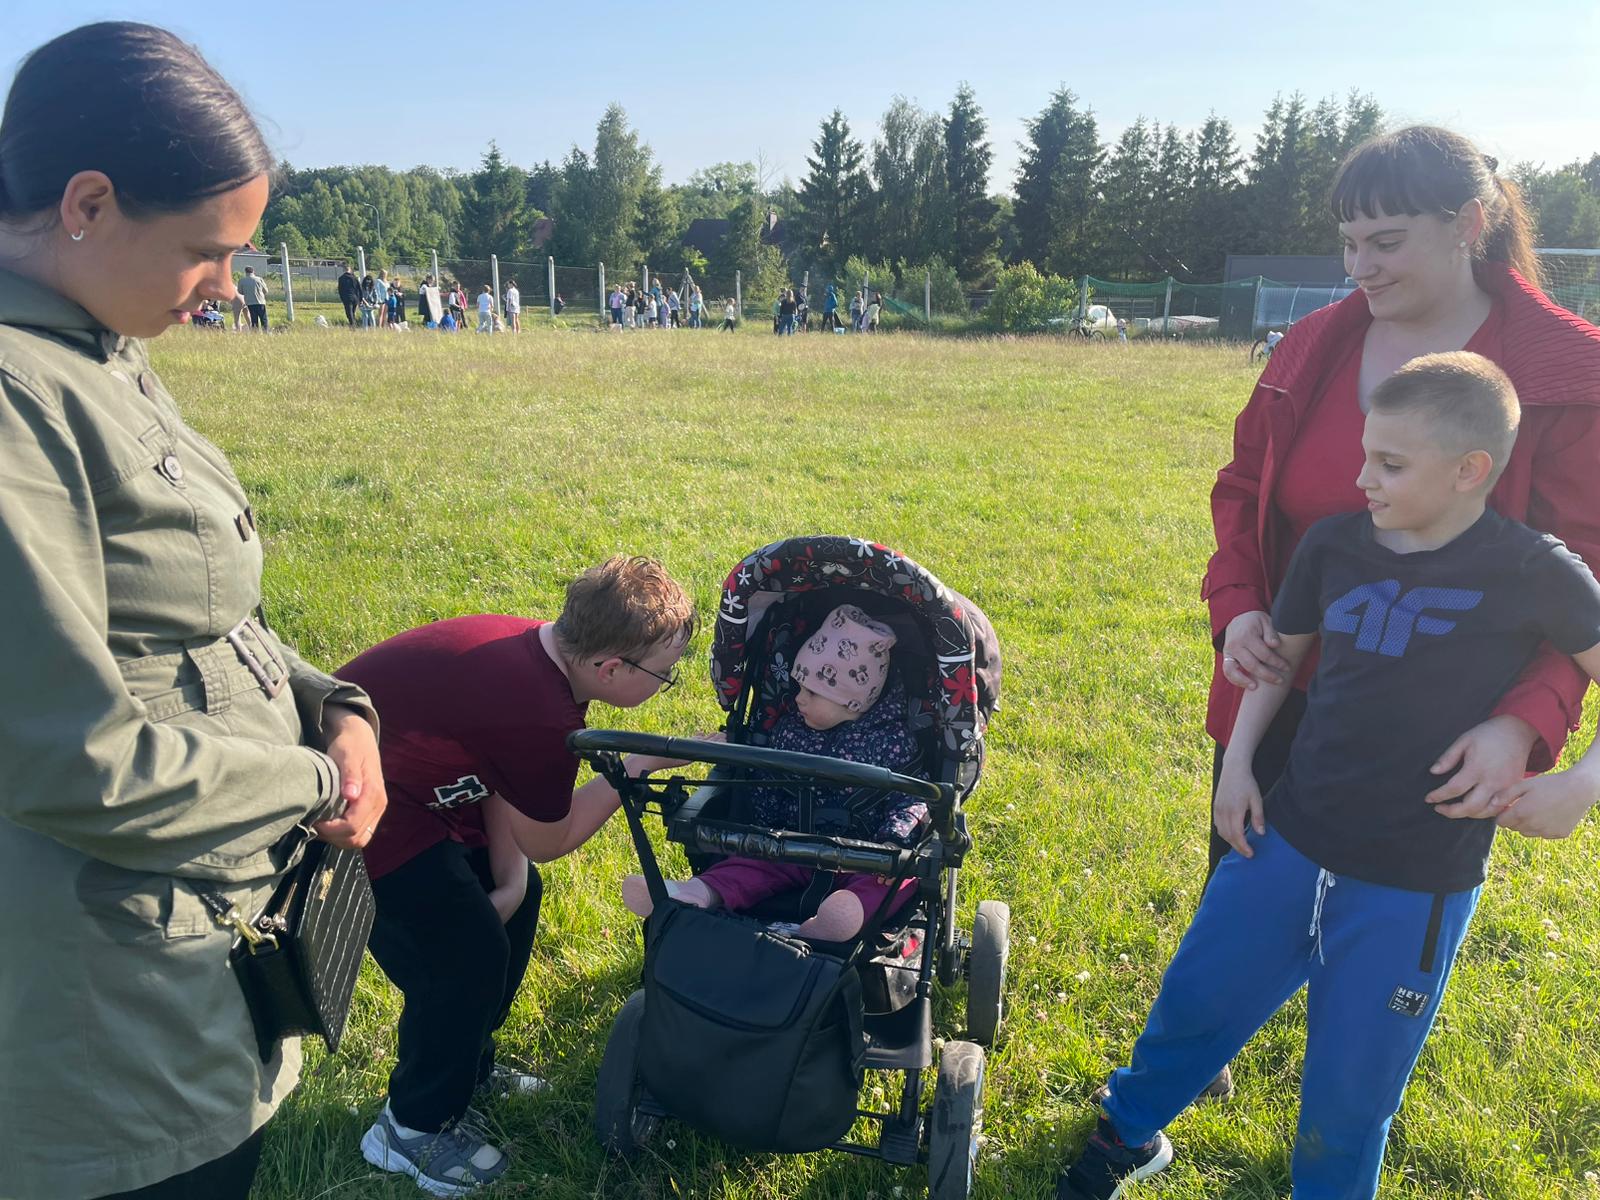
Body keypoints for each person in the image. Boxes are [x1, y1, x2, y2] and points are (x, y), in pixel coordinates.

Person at [1056, 352, 1600, 1200]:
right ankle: (1127, 1134)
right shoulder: (1333, 543)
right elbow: (1280, 659)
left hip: (1416, 881)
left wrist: (1579, 786)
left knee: (1351, 1093)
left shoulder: (1535, 569)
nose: (1362, 478)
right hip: (1286, 835)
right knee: (1197, 1000)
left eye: (1390, 463)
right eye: (1364, 454)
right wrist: (1239, 766)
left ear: (1470, 470)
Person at [0, 23, 385, 1200]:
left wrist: (337, 708)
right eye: (205, 252)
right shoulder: (16, 394)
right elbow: (69, 760)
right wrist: (313, 781)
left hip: (186, 962)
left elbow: (197, 611)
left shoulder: (90, 343)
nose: (226, 287)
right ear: (88, 204)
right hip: (104, 1020)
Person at [1198, 125, 1600, 1101]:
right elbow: (1243, 486)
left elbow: (1581, 576)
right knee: (1243, 872)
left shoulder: (1565, 373)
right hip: (1281, 680)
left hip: (1433, 713)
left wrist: (1522, 722)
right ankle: (1201, 1037)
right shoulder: (1312, 344)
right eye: (1347, 242)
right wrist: (1240, 608)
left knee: (1380, 925)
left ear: (1468, 224)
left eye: (1385, 241)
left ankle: (1350, 1075)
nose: (1358, 267)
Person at [339, 556, 706, 1195]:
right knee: (463, 956)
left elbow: (499, 779)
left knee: (517, 899)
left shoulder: (539, 653)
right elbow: (551, 838)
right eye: (663, 674)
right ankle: (412, 1128)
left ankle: (467, 1066)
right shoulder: (539, 711)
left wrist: (509, 883)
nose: (666, 683)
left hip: (415, 793)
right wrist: (635, 763)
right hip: (352, 815)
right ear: (610, 668)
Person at [622, 604, 926, 941]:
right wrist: (759, 821)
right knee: (749, 866)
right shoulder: (790, 730)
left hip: (865, 856)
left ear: (851, 702)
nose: (798, 700)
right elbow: (764, 784)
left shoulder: (893, 742)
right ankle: (693, 893)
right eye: (798, 687)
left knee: (895, 880)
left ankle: (840, 916)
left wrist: (894, 840)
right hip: (790, 848)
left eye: (811, 692)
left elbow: (911, 798)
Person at [237, 263, 267, 329]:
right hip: (260, 302)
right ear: (253, 271)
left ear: (245, 272)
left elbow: (240, 292)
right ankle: (265, 331)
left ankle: (255, 332)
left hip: (250, 303)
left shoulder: (242, 281)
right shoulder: (259, 279)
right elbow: (265, 291)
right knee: (263, 319)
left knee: (254, 320)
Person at [337, 260, 361, 326]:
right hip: (355, 298)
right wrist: (360, 299)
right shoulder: (355, 278)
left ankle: (353, 325)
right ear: (350, 270)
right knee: (352, 312)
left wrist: (342, 298)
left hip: (347, 298)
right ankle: (353, 324)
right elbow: (359, 289)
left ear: (344, 270)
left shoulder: (341, 278)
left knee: (349, 313)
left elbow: (340, 290)